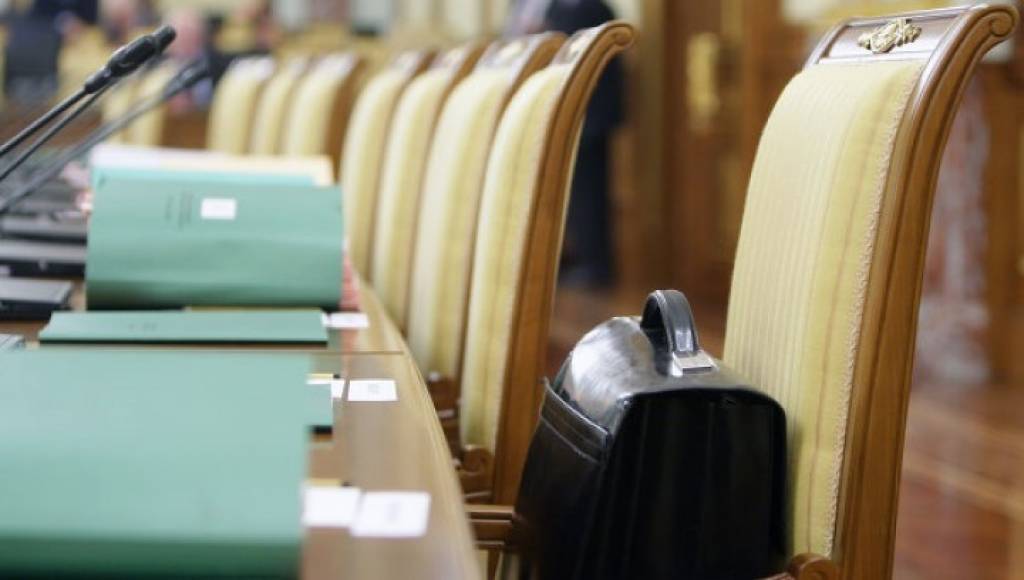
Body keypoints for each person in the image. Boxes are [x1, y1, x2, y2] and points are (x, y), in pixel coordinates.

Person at [545, 0, 624, 288]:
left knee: (591, 194)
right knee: (576, 195)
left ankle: (596, 264)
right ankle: (583, 259)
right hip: (569, 115)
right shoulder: (556, 8)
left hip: (592, 117)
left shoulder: (596, 9)